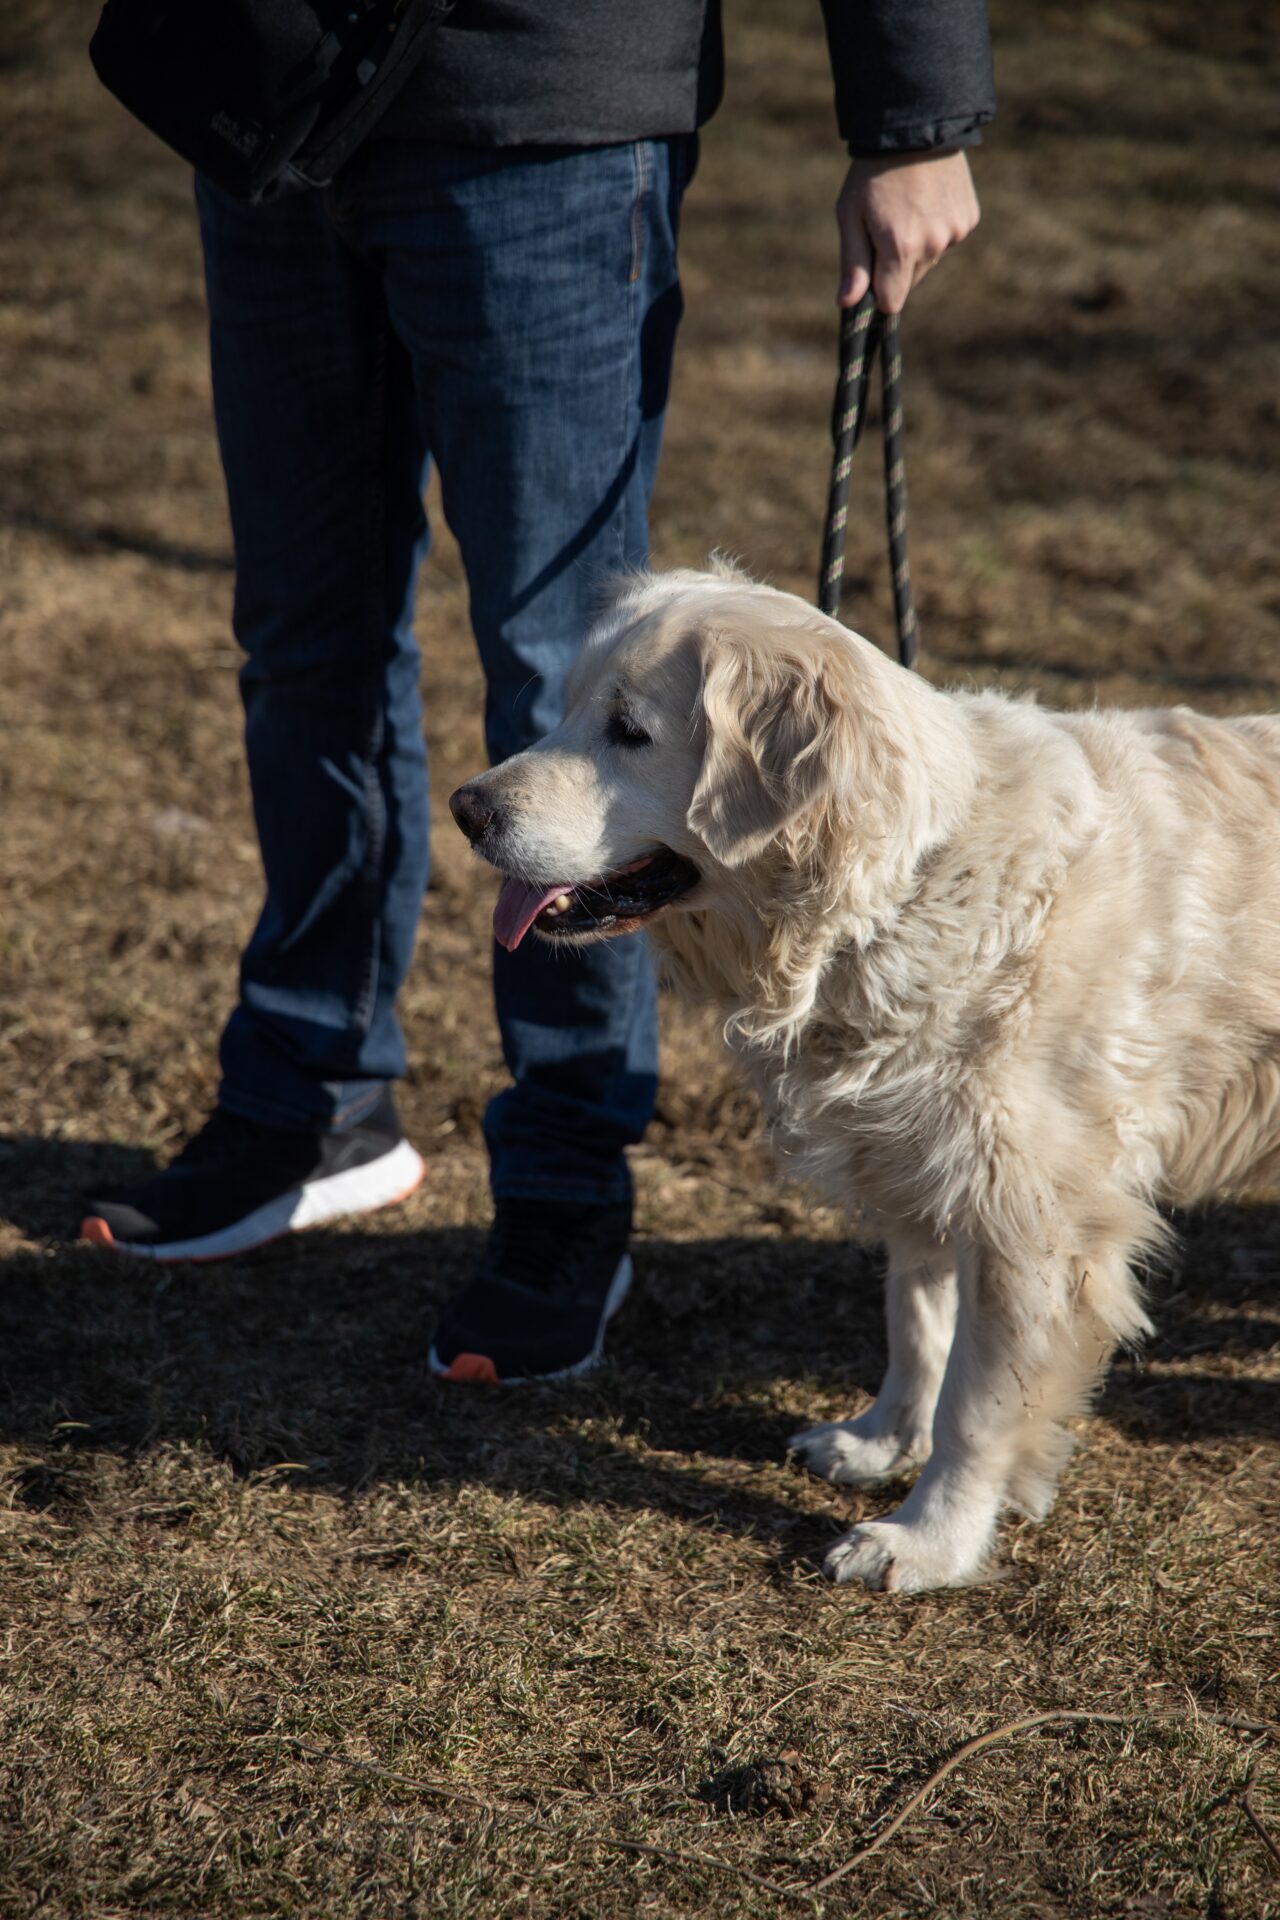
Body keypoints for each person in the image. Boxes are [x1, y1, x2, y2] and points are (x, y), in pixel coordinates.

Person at [80, 1, 995, 1382]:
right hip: (263, 91)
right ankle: (311, 1097)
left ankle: (569, 1179)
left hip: (544, 103)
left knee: (559, 660)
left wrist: (914, 114)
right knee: (301, 635)